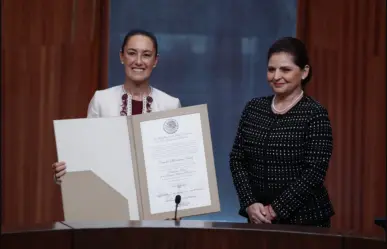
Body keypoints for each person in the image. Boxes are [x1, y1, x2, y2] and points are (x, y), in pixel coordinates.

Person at [229, 37, 335, 227]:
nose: (276, 76)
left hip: (306, 222)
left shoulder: (315, 114)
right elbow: (237, 159)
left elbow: (314, 172)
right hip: (257, 219)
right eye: (271, 69)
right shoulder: (254, 108)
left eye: (285, 69)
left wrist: (275, 209)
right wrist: (250, 204)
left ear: (304, 72)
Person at [52, 29, 181, 184]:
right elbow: (87, 153)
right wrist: (66, 174)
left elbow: (176, 162)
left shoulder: (171, 105)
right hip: (110, 194)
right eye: (132, 53)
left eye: (146, 55)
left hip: (156, 196)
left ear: (155, 61)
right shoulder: (101, 100)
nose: (138, 61)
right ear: (122, 56)